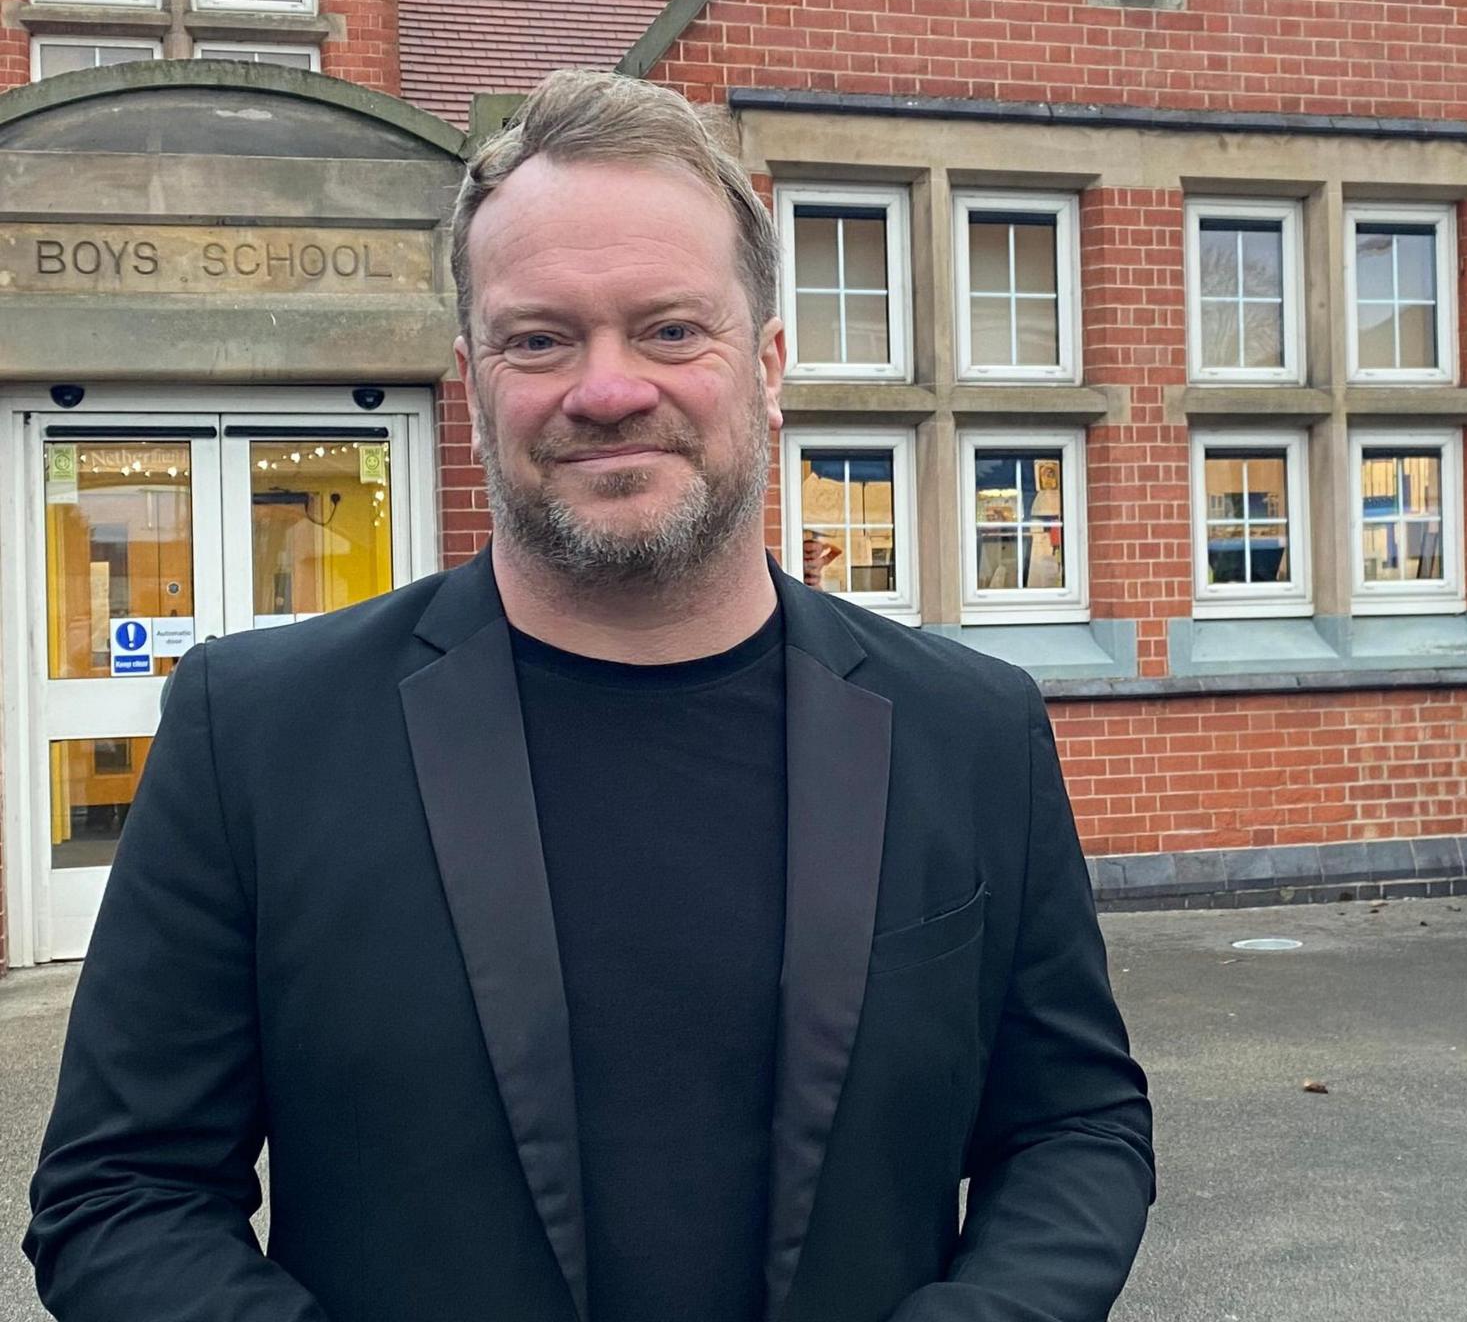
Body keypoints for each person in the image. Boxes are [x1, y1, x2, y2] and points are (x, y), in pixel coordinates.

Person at [24, 68, 1154, 1322]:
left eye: (671, 329)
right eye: (541, 338)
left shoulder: (972, 730)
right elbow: (120, 1198)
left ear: (768, 364)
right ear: (472, 377)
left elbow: (1074, 1129)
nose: (606, 388)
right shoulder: (259, 732)